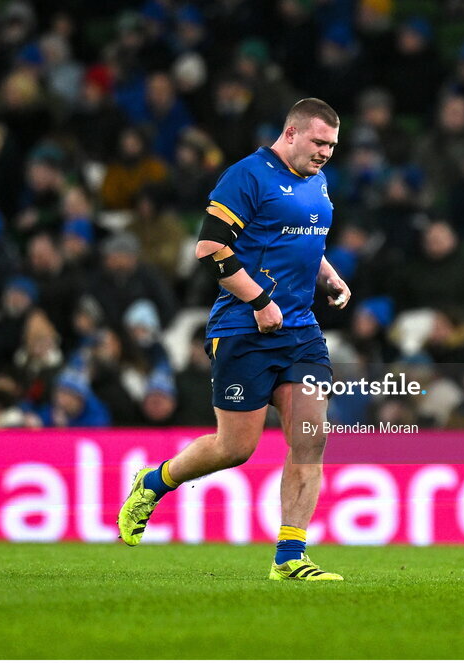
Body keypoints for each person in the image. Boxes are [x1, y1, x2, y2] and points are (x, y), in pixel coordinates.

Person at [117, 98, 350, 581]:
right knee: (235, 447)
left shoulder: (317, 180)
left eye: (332, 144)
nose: (326, 152)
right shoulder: (249, 175)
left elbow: (302, 241)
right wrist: (261, 301)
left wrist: (329, 276)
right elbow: (210, 247)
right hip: (244, 328)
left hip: (300, 329)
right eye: (318, 142)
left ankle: (290, 558)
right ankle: (155, 481)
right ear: (291, 133)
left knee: (311, 436)